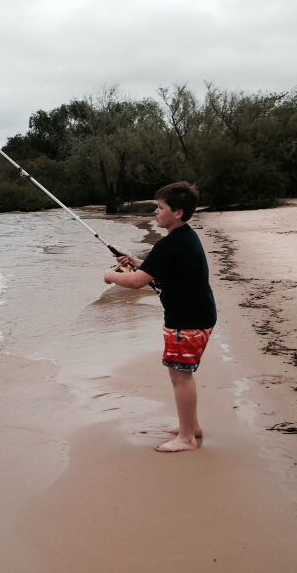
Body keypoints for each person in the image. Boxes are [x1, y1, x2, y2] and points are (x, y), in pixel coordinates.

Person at [103, 182, 217, 452]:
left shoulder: (170, 244)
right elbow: (160, 268)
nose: (156, 212)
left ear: (177, 213)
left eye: (160, 207)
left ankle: (187, 438)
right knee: (181, 374)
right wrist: (136, 262)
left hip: (187, 320)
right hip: (197, 315)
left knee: (181, 377)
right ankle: (192, 427)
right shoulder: (185, 238)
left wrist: (109, 276)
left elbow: (136, 282)